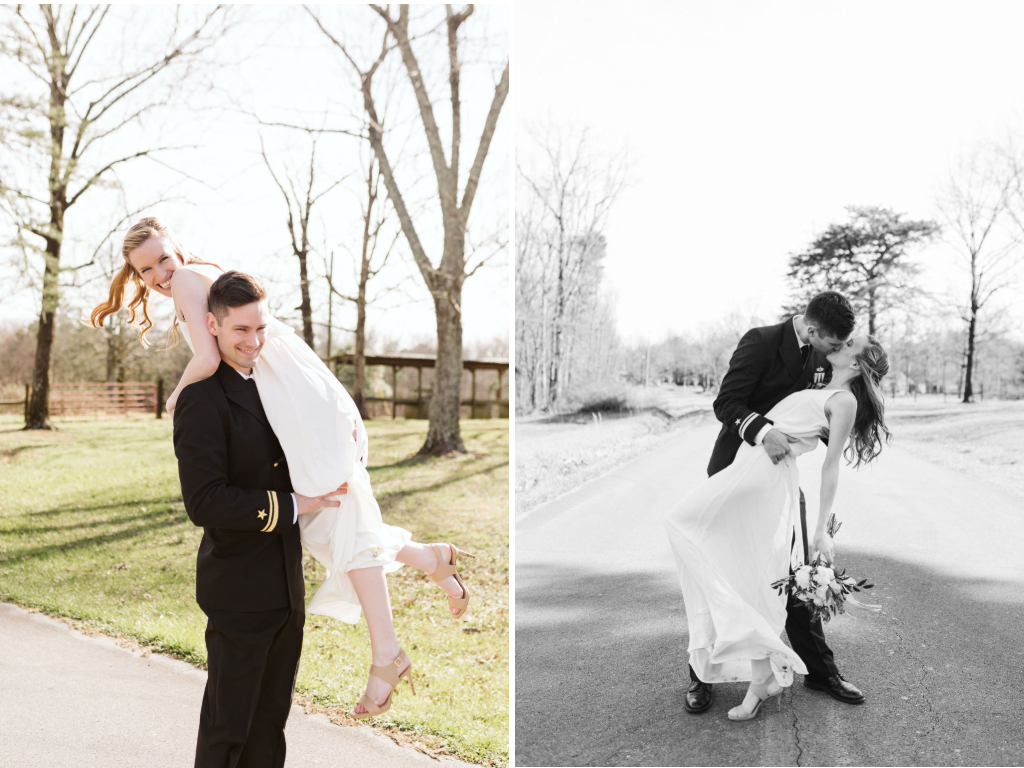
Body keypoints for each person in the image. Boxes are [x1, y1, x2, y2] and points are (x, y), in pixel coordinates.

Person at [91, 218, 474, 719]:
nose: (162, 273)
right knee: (328, 515)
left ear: (176, 247)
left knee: (328, 512)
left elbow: (208, 356)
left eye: (164, 257)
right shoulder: (201, 274)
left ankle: (390, 646)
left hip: (292, 397)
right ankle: (425, 563)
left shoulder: (187, 279)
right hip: (293, 393)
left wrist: (179, 395)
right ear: (136, 275)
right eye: (147, 269)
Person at [665, 292, 890, 719]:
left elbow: (823, 421)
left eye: (844, 347)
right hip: (737, 467)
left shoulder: (828, 365)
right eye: (832, 343)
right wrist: (762, 430)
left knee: (790, 573)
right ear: (812, 330)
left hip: (779, 481)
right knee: (718, 567)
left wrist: (828, 430)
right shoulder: (761, 341)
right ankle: (702, 673)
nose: (833, 352)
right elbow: (726, 403)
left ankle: (821, 671)